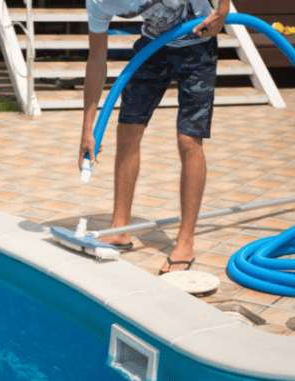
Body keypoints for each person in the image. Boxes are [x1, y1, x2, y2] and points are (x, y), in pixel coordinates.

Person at [78, 0, 230, 274]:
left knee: (188, 139)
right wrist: (87, 129)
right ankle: (120, 227)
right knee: (127, 132)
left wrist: (222, 11)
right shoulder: (97, 3)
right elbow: (96, 58)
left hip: (198, 46)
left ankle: (185, 241)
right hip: (152, 46)